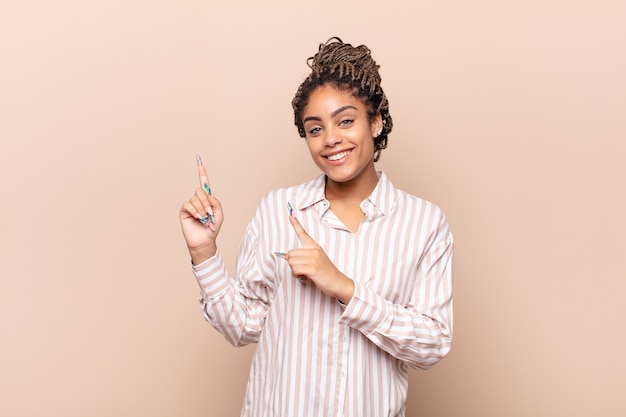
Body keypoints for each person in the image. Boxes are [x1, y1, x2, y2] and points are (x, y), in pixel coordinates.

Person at [179, 37, 454, 417]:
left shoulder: (424, 223)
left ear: (375, 122)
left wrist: (346, 289)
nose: (331, 140)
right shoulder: (278, 209)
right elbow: (242, 326)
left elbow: (432, 343)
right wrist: (204, 252)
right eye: (315, 129)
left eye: (345, 121)